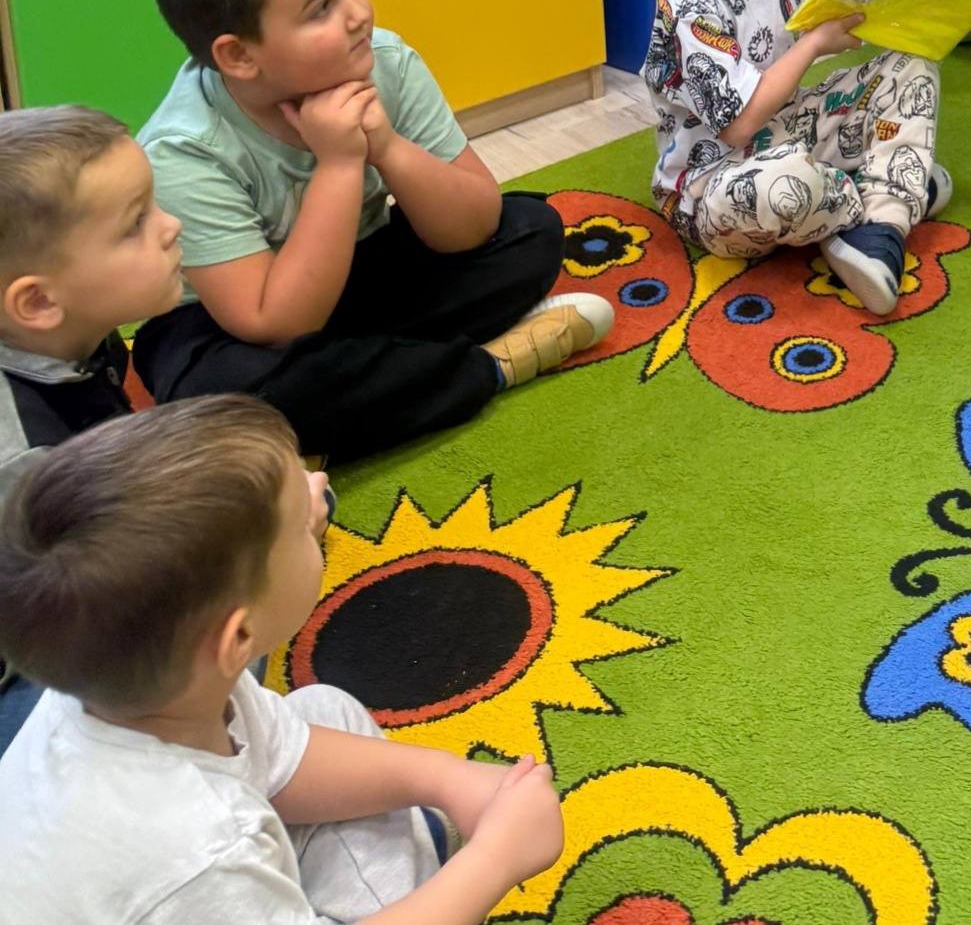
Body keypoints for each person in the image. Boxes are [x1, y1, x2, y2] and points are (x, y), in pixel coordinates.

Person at [0, 395, 565, 924]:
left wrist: (446, 779)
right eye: (300, 522)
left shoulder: (130, 691)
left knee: (324, 710)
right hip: (186, 879)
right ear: (239, 638)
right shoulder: (201, 851)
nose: (319, 487)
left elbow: (284, 754)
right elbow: (207, 851)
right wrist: (495, 859)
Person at [130, 0, 611, 465]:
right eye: (321, 8)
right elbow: (275, 324)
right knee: (227, 399)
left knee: (531, 230)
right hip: (237, 325)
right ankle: (490, 366)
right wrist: (338, 164)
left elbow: (476, 224)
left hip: (359, 277)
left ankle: (355, 395)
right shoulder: (182, 150)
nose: (359, 13)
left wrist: (385, 147)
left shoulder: (385, 61)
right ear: (239, 56)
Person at [640, 0, 949, 314]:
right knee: (783, 185)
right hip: (715, 186)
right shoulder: (686, 2)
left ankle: (881, 216)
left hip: (792, 128)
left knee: (911, 67)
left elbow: (820, 7)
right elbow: (738, 126)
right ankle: (891, 193)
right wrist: (813, 45)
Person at [0, 105, 186, 753]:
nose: (171, 226)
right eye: (136, 223)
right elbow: (82, 609)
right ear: (38, 301)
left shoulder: (72, 335)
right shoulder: (25, 459)